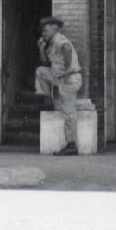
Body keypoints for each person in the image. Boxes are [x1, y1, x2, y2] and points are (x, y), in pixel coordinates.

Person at [35, 14, 83, 154]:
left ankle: (72, 144)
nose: (43, 33)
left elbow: (67, 48)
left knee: (68, 113)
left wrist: (67, 71)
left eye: (45, 30)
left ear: (54, 29)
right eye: (42, 31)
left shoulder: (59, 39)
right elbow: (44, 62)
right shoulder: (50, 43)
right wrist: (41, 48)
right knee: (41, 71)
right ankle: (48, 99)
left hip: (69, 79)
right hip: (59, 78)